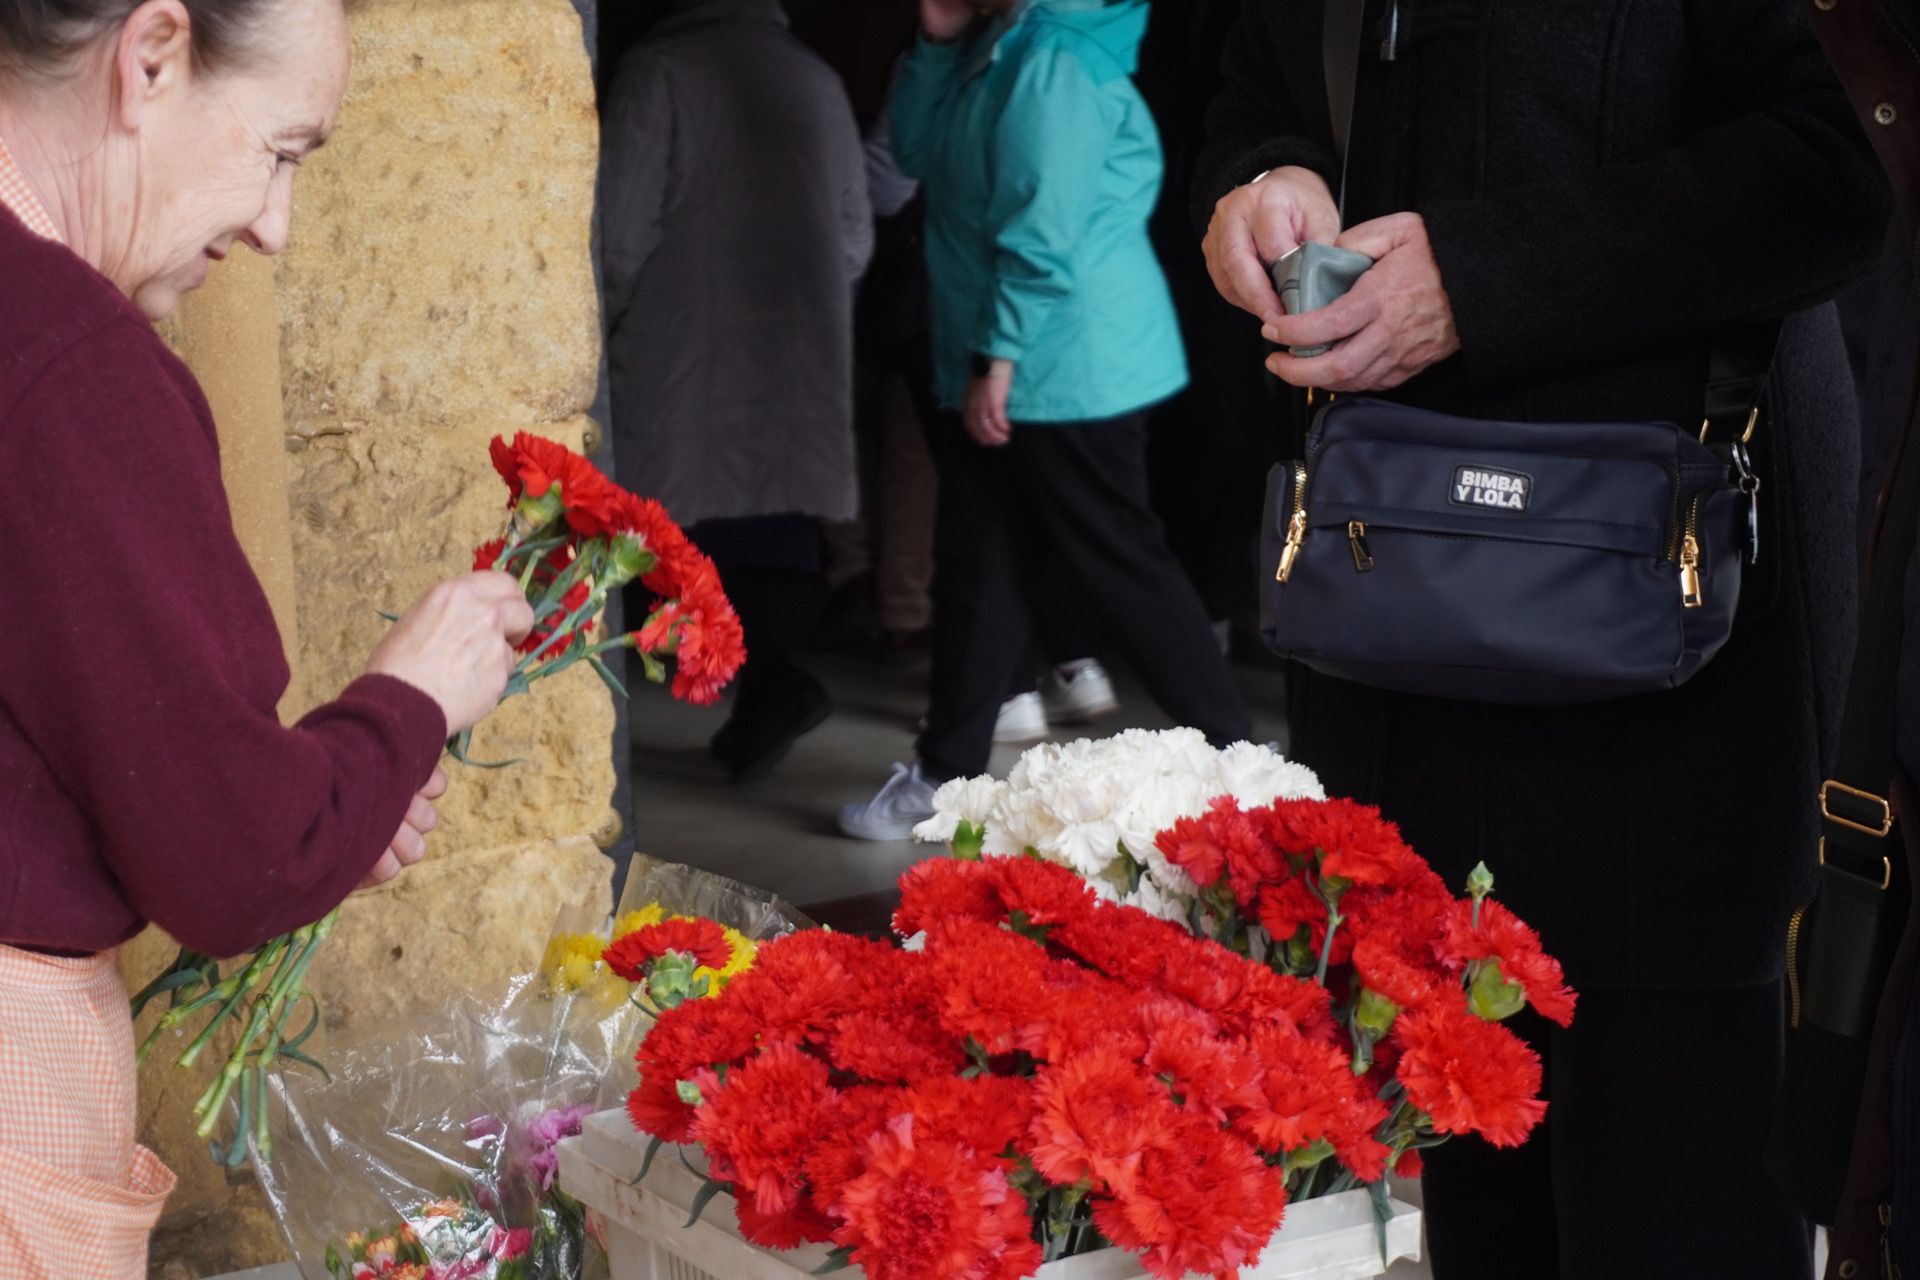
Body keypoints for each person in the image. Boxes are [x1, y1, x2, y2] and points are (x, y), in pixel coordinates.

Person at [1196, 2, 1888, 1277]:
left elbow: (1848, 158)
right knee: (1472, 1157)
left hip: (1673, 620)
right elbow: (1262, 87)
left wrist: (1481, 275)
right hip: (1409, 607)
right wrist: (1263, 182)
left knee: (1679, 1179)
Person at [0, 0, 533, 1271]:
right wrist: (408, 703)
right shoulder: (68, 362)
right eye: (281, 152)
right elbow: (232, 860)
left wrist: (331, 790)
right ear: (151, 56)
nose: (273, 226)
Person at [837, 0, 1253, 841]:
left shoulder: (1053, 60)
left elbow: (1043, 224)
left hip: (1063, 359)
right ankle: (945, 773)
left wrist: (1000, 358)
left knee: (1115, 555)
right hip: (1027, 351)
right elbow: (913, 154)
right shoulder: (1001, 40)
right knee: (983, 557)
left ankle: (1241, 760)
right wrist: (934, 42)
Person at [601, 0, 871, 783]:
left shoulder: (658, 72)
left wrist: (604, 332)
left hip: (679, 350)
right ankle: (767, 693)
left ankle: (770, 688)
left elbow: (617, 238)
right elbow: (855, 239)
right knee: (755, 531)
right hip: (791, 350)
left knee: (678, 535)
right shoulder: (815, 77)